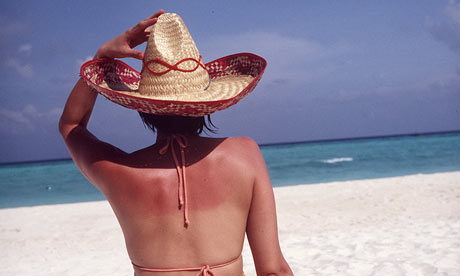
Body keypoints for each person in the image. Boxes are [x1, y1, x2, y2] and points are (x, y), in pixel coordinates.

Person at [59, 10, 293, 276]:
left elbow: (71, 126)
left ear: (142, 107)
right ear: (207, 105)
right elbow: (274, 271)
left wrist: (102, 57)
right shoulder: (245, 155)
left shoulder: (118, 171)